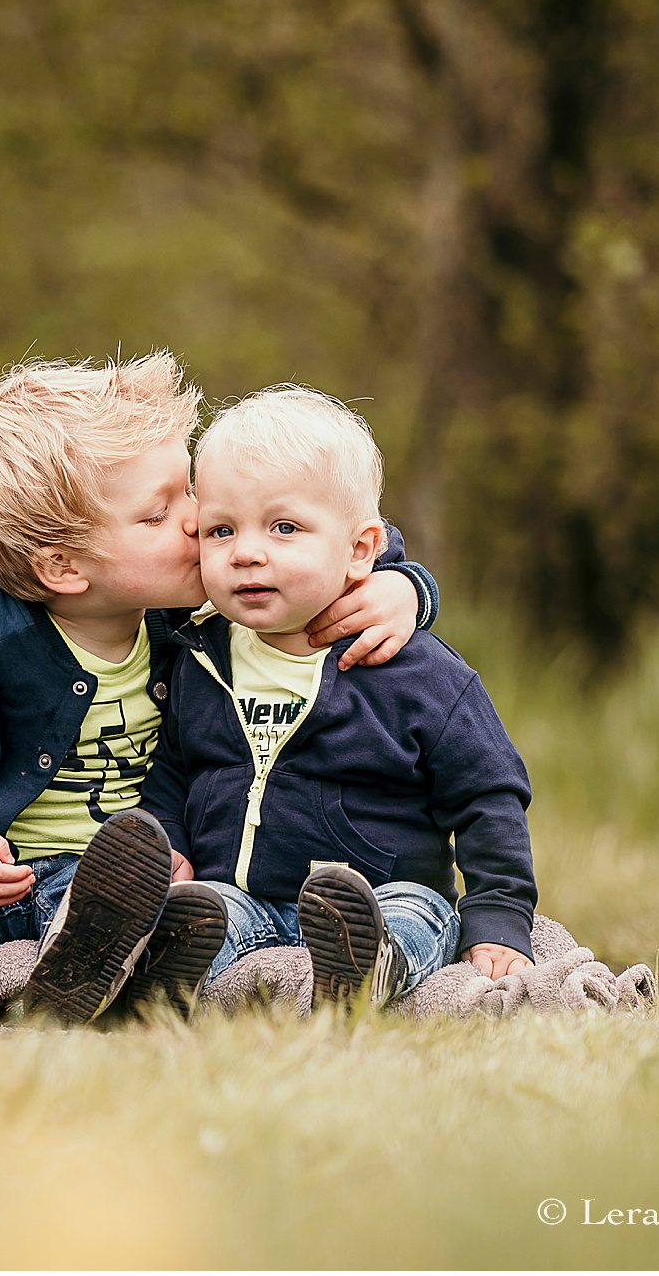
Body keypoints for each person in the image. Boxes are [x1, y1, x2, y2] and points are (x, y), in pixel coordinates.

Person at [0, 354, 440, 1019]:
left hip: (114, 884)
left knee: (136, 909)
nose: (199, 519)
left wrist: (404, 586)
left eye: (187, 489)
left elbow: (331, 536)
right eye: (159, 513)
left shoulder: (194, 616)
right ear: (64, 568)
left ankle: (83, 964)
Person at [140, 384, 536, 1009]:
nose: (245, 552)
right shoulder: (199, 656)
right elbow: (171, 772)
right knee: (202, 913)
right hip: (241, 896)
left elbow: (489, 797)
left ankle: (366, 965)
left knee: (414, 917)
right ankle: (159, 970)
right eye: (220, 530)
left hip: (383, 890)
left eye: (285, 527)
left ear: (359, 551)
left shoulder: (417, 674)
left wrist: (499, 917)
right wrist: (169, 843)